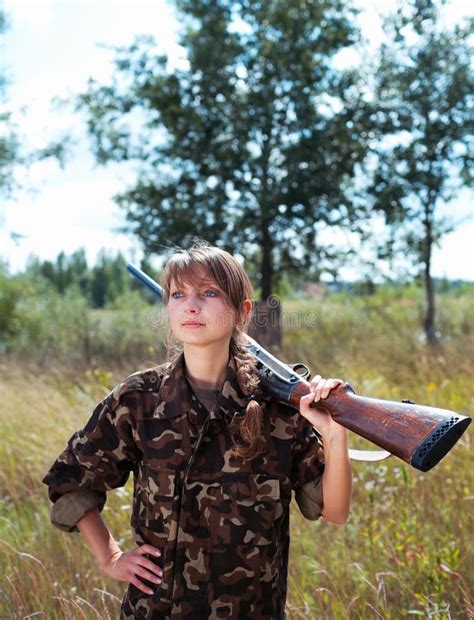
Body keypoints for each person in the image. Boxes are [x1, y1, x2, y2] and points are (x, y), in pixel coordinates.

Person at [43, 241, 352, 620]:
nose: (191, 305)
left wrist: (335, 434)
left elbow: (334, 511)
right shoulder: (138, 400)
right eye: (178, 293)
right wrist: (111, 558)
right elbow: (69, 480)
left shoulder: (278, 410)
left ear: (242, 312)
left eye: (209, 293)